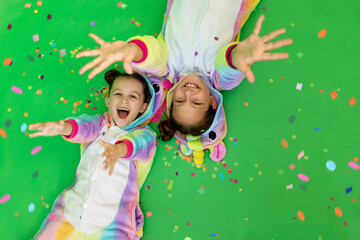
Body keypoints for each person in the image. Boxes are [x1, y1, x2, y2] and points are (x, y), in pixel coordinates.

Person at [76, 0, 293, 168]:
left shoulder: (169, 67)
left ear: (171, 100)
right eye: (196, 103)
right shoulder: (218, 76)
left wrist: (129, 51)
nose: (188, 93)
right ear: (212, 102)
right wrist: (241, 56)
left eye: (180, 100)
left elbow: (153, 53)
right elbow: (230, 64)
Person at [30, 69, 158, 240]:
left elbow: (141, 145)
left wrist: (119, 150)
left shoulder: (143, 134)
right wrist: (63, 128)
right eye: (118, 94)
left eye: (133, 97)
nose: (124, 100)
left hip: (114, 222)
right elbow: (83, 127)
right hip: (72, 211)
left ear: (143, 108)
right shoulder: (99, 125)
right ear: (108, 100)